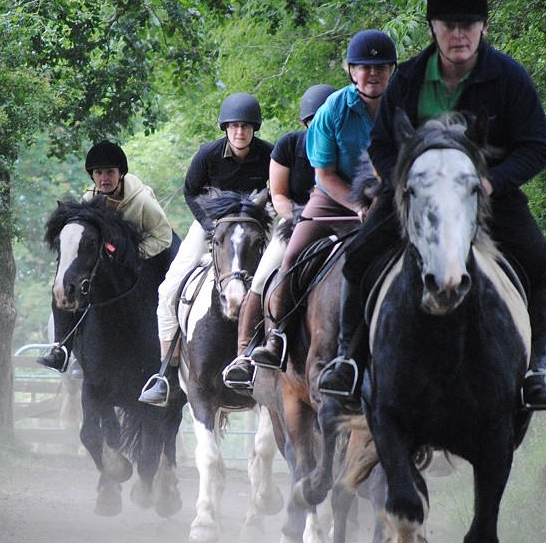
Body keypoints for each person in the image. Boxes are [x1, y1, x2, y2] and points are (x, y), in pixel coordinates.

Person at [316, 0, 546, 412]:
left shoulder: (509, 78)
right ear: (433, 28)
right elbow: (380, 145)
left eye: (469, 24)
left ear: (484, 27)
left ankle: (535, 372)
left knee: (539, 262)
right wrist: (404, 186)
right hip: (416, 201)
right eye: (449, 25)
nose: (459, 35)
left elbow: (536, 147)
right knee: (357, 256)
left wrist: (492, 182)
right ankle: (346, 361)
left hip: (486, 198)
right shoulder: (407, 79)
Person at [250, 30, 397, 370]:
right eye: (363, 67)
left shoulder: (407, 105)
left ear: (392, 69)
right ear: (351, 71)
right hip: (335, 196)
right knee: (292, 257)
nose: (372, 74)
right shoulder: (333, 109)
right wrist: (359, 205)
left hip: (392, 194)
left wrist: (383, 200)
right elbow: (324, 174)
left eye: (380, 66)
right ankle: (278, 337)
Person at [138, 93, 273, 406]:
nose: (240, 132)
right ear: (225, 128)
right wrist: (211, 227)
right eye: (234, 126)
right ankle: (166, 373)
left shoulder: (269, 154)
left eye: (246, 126)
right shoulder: (208, 154)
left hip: (255, 225)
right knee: (169, 288)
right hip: (213, 225)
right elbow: (190, 192)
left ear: (254, 128)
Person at [221, 83, 338, 389]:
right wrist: (298, 218)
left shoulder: (349, 142)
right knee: (261, 278)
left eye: (327, 116)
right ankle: (246, 354)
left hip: (346, 220)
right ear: (306, 121)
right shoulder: (288, 146)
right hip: (297, 223)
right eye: (315, 119)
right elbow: (279, 196)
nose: (321, 124)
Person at [37, 141, 173, 372]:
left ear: (120, 174)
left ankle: (173, 359)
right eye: (98, 173)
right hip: (110, 256)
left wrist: (132, 253)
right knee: (65, 283)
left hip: (151, 247)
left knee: (175, 286)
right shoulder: (89, 200)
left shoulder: (142, 202)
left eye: (110, 172)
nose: (104, 178)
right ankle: (62, 349)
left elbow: (163, 237)